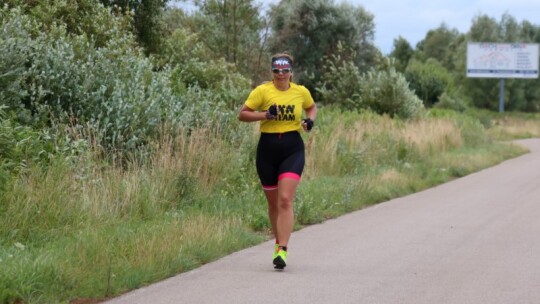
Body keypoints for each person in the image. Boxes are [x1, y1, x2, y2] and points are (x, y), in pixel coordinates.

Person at [238, 53, 318, 270]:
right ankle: (278, 242)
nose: (281, 74)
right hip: (267, 150)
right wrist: (265, 115)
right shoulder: (262, 91)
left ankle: (282, 249)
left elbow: (312, 107)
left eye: (285, 70)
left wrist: (309, 121)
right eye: (276, 70)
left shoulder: (300, 91)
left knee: (285, 199)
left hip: (292, 148)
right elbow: (242, 114)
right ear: (271, 71)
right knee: (273, 203)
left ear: (291, 71)